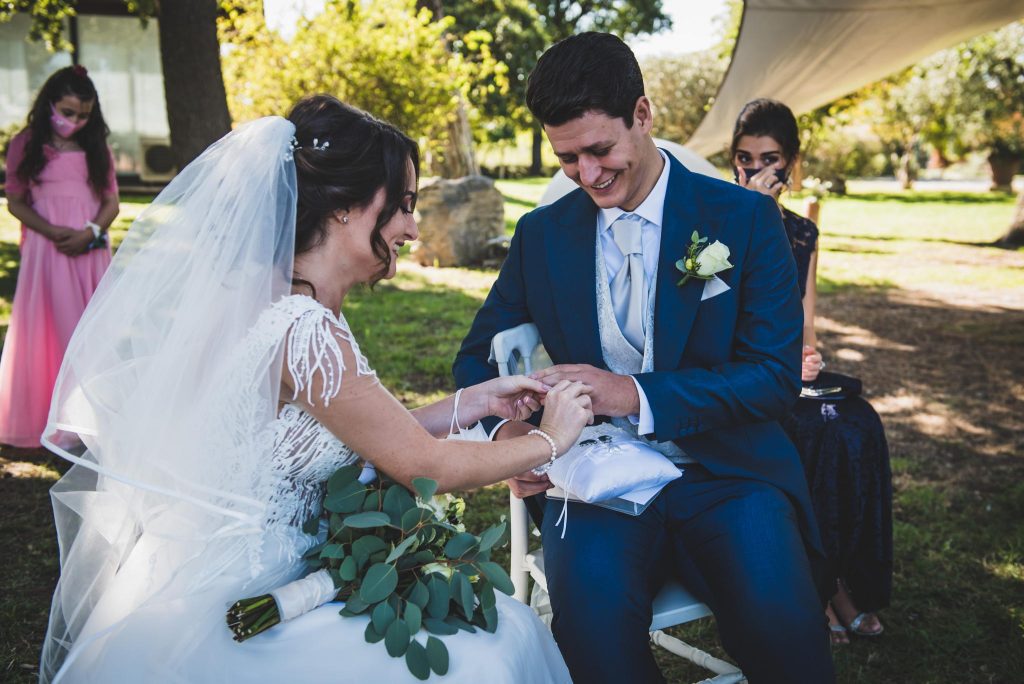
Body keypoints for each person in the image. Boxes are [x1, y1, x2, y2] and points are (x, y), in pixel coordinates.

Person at [39, 95, 594, 683]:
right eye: (402, 206)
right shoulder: (305, 330)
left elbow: (352, 430)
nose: (411, 226)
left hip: (230, 565)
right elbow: (421, 465)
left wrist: (476, 401)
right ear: (347, 208)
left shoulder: (276, 299)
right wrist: (552, 439)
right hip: (253, 597)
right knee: (493, 651)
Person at [454, 32, 834, 683]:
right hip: (597, 483)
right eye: (568, 158)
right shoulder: (541, 235)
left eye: (600, 150)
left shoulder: (743, 219)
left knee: (788, 636)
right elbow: (474, 362)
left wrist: (629, 393)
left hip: (731, 475)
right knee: (591, 640)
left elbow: (773, 380)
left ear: (643, 114)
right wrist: (516, 438)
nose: (588, 175)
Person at [731, 98, 893, 645]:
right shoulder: (717, 222)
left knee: (857, 424)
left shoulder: (801, 233)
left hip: (786, 377)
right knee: (814, 434)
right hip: (734, 378)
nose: (755, 171)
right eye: (744, 158)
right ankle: (817, 590)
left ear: (791, 166)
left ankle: (840, 576)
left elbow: (805, 323)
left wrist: (808, 356)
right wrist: (748, 214)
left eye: (769, 159)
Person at [0, 65, 119, 448]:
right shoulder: (27, 144)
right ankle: (51, 417)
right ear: (50, 104)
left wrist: (91, 232)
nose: (75, 121)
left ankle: (90, 418)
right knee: (52, 329)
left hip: (88, 249)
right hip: (47, 250)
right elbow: (16, 201)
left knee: (88, 333)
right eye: (68, 112)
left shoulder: (95, 146)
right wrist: (51, 231)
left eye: (83, 115)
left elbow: (111, 202)